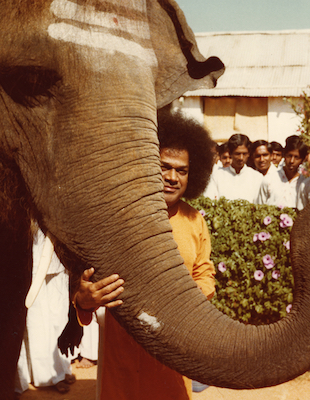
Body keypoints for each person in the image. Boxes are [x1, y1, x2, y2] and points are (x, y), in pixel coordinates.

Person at [74, 110, 216, 400]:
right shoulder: (117, 217)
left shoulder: (194, 221)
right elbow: (85, 285)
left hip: (173, 350)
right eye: (164, 166)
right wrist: (83, 301)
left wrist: (191, 299)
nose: (172, 177)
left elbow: (205, 274)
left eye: (182, 170)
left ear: (193, 174)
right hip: (122, 351)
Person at [16, 226, 75, 395]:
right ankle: (46, 376)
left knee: (58, 316)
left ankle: (61, 369)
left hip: (57, 253)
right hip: (31, 256)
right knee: (37, 320)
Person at [204, 133, 263, 202]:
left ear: (249, 154)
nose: (241, 158)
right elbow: (210, 200)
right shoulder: (217, 176)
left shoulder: (257, 177)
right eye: (237, 154)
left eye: (244, 154)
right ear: (230, 153)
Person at [257, 135, 308, 209]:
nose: (291, 161)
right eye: (289, 156)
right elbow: (259, 208)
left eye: (296, 157)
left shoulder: (304, 184)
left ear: (302, 160)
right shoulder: (269, 179)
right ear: (284, 155)